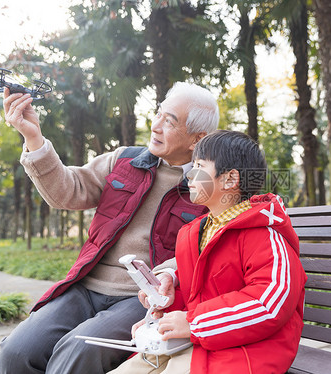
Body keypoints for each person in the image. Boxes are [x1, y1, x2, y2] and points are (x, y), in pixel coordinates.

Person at [0, 82, 219, 374]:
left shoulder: (209, 185)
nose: (156, 126)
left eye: (170, 121)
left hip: (141, 298)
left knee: (76, 351)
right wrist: (33, 137)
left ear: (197, 139)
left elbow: (210, 246)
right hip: (85, 287)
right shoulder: (124, 160)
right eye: (158, 114)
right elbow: (68, 190)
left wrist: (170, 273)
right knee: (16, 352)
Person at [110, 130, 307, 374]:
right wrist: (166, 310)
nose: (190, 174)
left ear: (229, 179)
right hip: (200, 343)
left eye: (200, 166)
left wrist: (193, 323)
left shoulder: (265, 235)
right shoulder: (198, 232)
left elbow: (269, 304)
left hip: (246, 351)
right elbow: (200, 295)